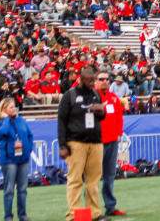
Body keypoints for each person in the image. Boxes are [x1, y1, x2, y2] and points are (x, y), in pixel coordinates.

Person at [57, 67, 106, 221]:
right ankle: (73, 214)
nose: (92, 83)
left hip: (96, 142)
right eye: (89, 80)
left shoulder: (96, 94)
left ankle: (95, 212)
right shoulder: (69, 96)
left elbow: (102, 117)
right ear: (80, 79)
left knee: (93, 181)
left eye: (93, 80)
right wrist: (63, 145)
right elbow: (61, 121)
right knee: (75, 179)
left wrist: (101, 112)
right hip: (76, 142)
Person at [0, 98, 34, 221]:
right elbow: (4, 132)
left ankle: (22, 215)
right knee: (9, 189)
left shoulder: (21, 120)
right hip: (9, 160)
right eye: (10, 107)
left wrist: (28, 149)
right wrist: (6, 118)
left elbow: (29, 135)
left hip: (23, 159)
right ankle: (8, 216)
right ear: (4, 110)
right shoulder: (0, 124)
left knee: (22, 189)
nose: (14, 109)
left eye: (14, 107)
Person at [97, 71, 126, 217]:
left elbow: (119, 117)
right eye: (101, 79)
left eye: (106, 79)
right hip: (96, 143)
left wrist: (118, 133)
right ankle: (92, 208)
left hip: (112, 141)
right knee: (93, 178)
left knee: (109, 176)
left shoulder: (113, 97)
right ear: (95, 81)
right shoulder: (92, 97)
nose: (104, 81)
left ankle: (110, 206)